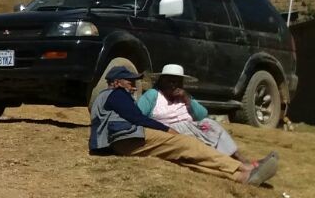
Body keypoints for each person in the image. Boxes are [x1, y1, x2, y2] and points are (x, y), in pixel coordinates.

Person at [91, 64, 277, 184]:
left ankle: (240, 177)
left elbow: (200, 114)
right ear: (115, 82)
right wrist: (167, 130)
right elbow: (138, 118)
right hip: (127, 137)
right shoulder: (116, 94)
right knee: (188, 144)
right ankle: (243, 167)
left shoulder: (108, 97)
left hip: (123, 140)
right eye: (129, 81)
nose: (133, 84)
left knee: (183, 158)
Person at [137, 64, 245, 158]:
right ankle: (226, 159)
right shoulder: (153, 95)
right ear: (161, 82)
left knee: (211, 124)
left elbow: (202, 115)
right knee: (203, 138)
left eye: (178, 82)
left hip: (192, 127)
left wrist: (187, 100)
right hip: (169, 130)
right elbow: (137, 115)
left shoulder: (184, 96)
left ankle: (240, 159)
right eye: (170, 81)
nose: (174, 85)